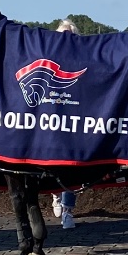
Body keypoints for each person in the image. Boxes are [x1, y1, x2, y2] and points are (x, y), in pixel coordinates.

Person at [51, 19, 80, 229]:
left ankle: (68, 210)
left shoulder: (81, 61)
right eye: (61, 36)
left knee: (71, 166)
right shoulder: (48, 60)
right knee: (51, 163)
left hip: (74, 121)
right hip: (52, 121)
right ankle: (54, 195)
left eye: (69, 36)